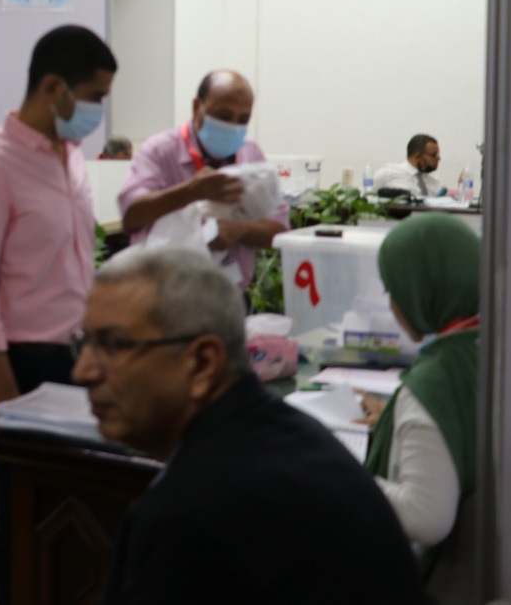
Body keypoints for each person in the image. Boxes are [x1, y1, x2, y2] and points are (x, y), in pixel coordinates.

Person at [72, 246, 426, 604]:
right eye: (83, 343)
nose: (82, 371)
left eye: (113, 345)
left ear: (202, 362)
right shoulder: (285, 436)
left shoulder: (192, 514)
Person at [0, 24, 116, 604]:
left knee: (78, 516)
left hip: (75, 362)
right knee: (22, 522)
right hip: (20, 370)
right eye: (94, 97)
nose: (99, 111)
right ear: (53, 88)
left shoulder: (71, 157)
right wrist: (9, 403)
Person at [361, 214, 480, 603]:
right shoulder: (491, 345)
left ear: (422, 289)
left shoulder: (435, 382)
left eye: (394, 290)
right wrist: (397, 419)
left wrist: (349, 473)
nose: (392, 303)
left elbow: (426, 517)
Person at [116, 70, 287, 293]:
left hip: (230, 297)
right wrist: (190, 192)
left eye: (243, 120)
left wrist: (242, 230)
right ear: (197, 107)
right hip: (164, 297)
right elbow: (131, 216)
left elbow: (280, 229)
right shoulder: (160, 151)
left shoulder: (251, 155)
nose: (233, 126)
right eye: (223, 116)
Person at [373, 134, 446, 197]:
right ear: (417, 156)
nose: (439, 159)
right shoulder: (388, 172)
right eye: (434, 155)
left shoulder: (433, 179)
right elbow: (370, 196)